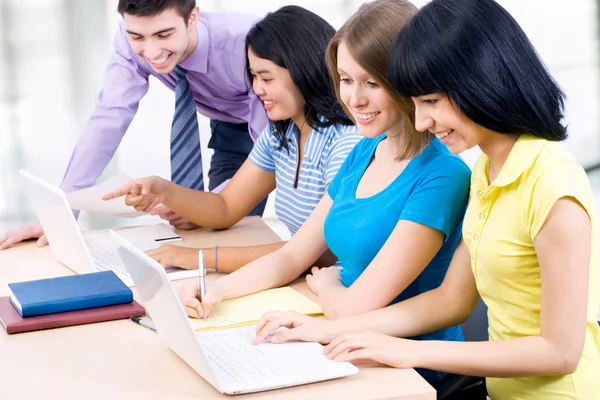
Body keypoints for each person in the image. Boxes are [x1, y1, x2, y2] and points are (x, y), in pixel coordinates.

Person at [252, 0, 600, 399]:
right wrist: (330, 328)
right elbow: (451, 300)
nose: (420, 122)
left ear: (480, 81)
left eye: (430, 102)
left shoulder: (551, 182)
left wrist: (402, 349)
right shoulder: (489, 170)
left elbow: (560, 352)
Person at [140, 0, 470, 385]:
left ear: (406, 80)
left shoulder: (441, 174)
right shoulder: (366, 150)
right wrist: (215, 289)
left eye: (372, 83)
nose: (354, 99)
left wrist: (329, 284)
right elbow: (295, 255)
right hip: (340, 339)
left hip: (408, 370)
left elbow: (354, 307)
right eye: (345, 80)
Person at [102, 6, 361, 272]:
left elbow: (324, 252)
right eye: (253, 76)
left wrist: (197, 258)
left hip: (342, 284)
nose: (257, 89)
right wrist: (164, 190)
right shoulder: (280, 135)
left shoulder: (346, 142)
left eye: (266, 78)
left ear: (303, 72)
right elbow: (225, 207)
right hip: (309, 278)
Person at [0, 0, 269, 250]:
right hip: (228, 124)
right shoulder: (131, 39)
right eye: (138, 36)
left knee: (235, 230)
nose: (151, 52)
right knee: (206, 232)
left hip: (279, 121)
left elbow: (272, 148)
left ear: (192, 18)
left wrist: (204, 206)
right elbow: (109, 117)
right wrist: (61, 215)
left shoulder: (247, 44)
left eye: (164, 34)